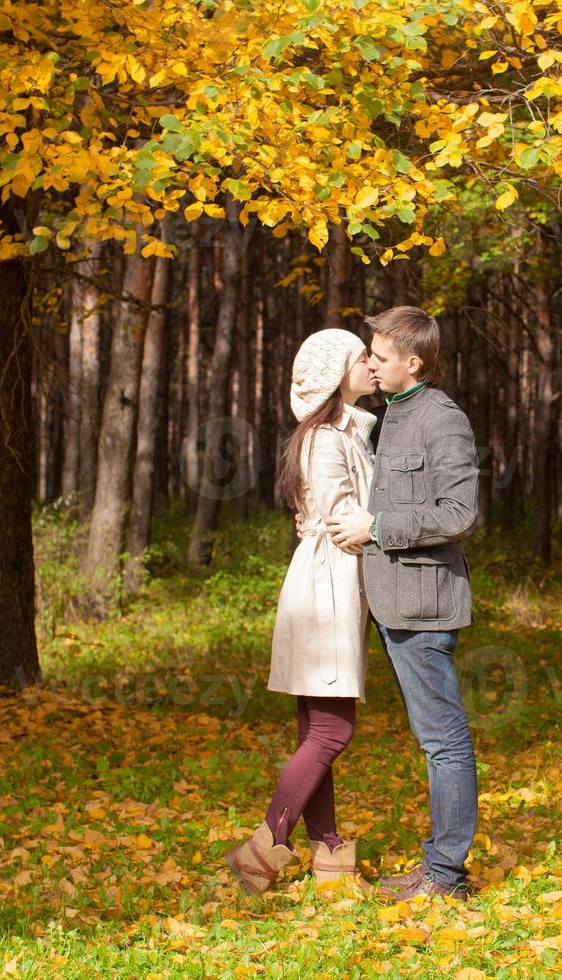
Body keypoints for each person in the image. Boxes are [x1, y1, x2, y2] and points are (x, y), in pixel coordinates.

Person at [325, 305, 481, 902]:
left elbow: (459, 513)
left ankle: (445, 876)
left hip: (424, 606)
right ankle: (440, 866)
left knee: (444, 740)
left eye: (380, 357)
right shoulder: (391, 414)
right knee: (433, 738)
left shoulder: (442, 420)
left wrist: (379, 525)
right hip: (393, 603)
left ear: (413, 363)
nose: (370, 363)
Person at [223, 328, 379, 897]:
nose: (371, 363)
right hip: (327, 589)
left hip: (328, 585)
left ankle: (331, 858)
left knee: (318, 729)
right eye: (362, 356)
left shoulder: (343, 431)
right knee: (332, 731)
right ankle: (264, 846)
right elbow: (345, 524)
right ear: (338, 373)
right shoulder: (327, 439)